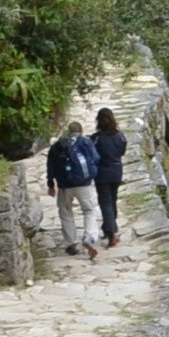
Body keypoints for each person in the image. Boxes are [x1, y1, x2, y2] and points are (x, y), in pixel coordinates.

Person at [46, 115, 99, 258]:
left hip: (64, 186)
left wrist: (51, 184)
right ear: (80, 131)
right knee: (88, 210)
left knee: (66, 213)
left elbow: (50, 166)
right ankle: (89, 236)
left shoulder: (58, 145)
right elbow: (95, 158)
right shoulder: (85, 142)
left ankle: (71, 243)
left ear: (68, 131)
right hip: (83, 185)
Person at [91, 106, 128, 247]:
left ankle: (111, 233)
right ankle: (110, 227)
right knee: (112, 200)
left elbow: (93, 156)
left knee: (105, 202)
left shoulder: (96, 139)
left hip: (102, 174)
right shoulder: (120, 136)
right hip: (116, 171)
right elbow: (122, 151)